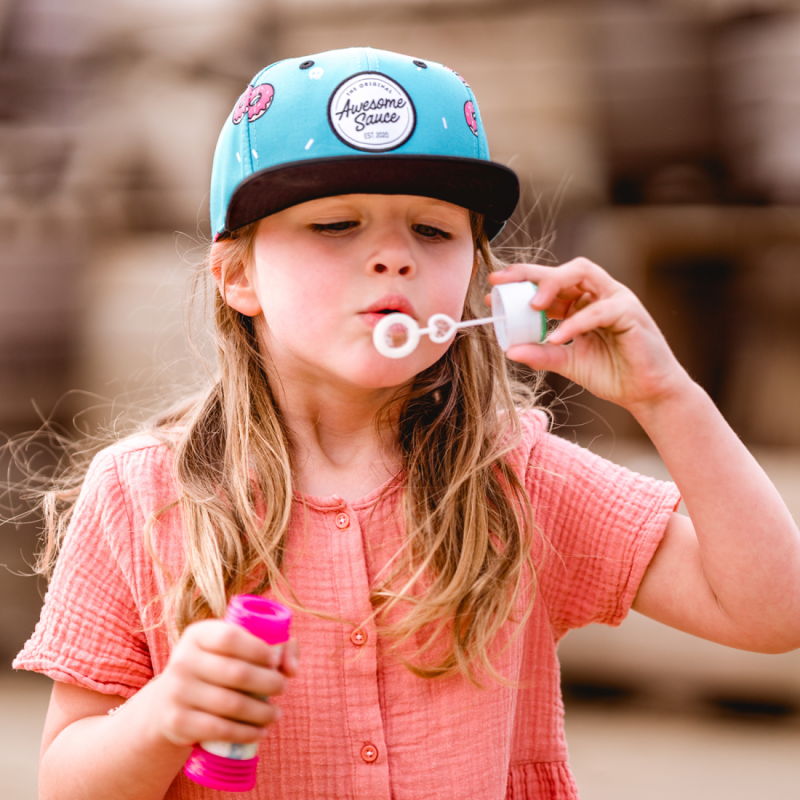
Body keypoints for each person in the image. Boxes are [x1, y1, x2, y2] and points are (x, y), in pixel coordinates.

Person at [14, 47, 800, 800]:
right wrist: (165, 715)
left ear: (475, 278)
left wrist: (667, 396)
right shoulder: (142, 493)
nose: (394, 257)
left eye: (432, 230)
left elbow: (773, 613)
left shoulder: (515, 475)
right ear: (238, 277)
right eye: (335, 225)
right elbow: (67, 783)